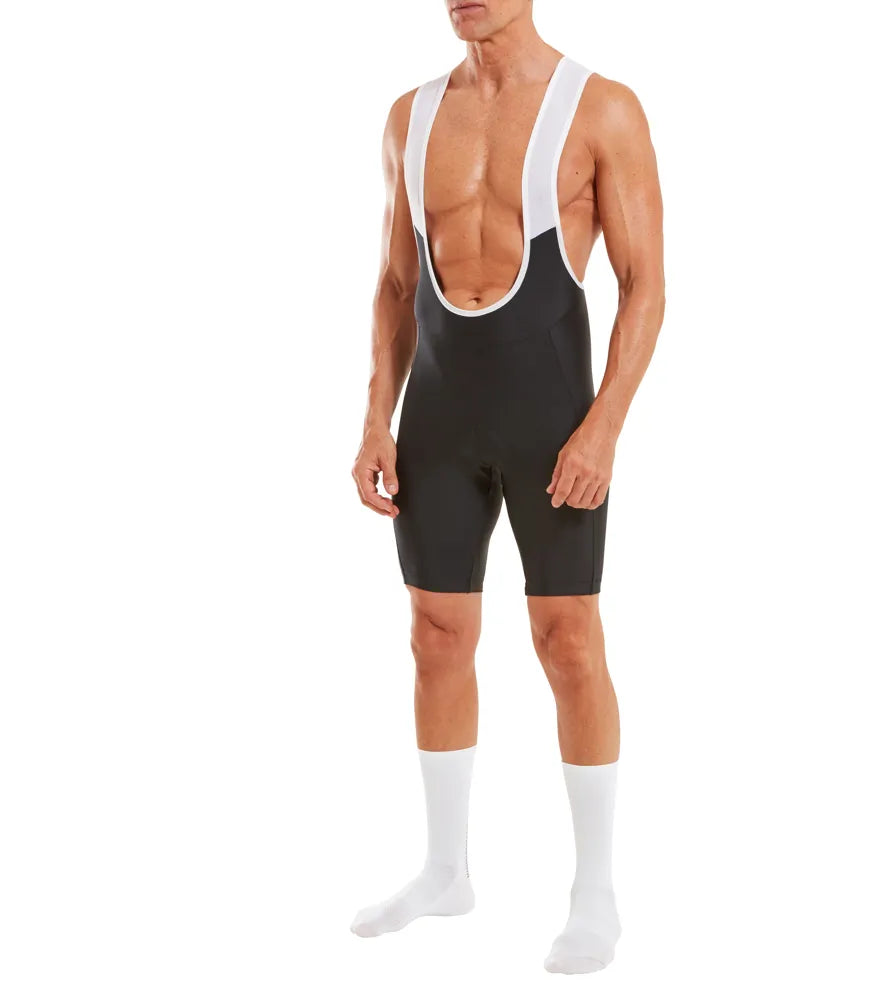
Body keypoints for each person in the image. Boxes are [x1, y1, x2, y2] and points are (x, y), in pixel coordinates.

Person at [350, 0, 664, 975]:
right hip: (438, 419)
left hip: (551, 422)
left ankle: (595, 893)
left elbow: (645, 283)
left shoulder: (601, 107)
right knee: (435, 635)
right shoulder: (409, 115)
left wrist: (604, 426)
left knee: (568, 642)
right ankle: (446, 870)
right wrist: (375, 417)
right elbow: (396, 285)